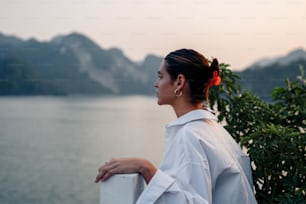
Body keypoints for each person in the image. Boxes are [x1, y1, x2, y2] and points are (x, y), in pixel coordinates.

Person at [95, 48, 257, 204]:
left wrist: (145, 168)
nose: (156, 84)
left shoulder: (191, 135)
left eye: (160, 76)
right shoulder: (214, 130)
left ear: (179, 82)